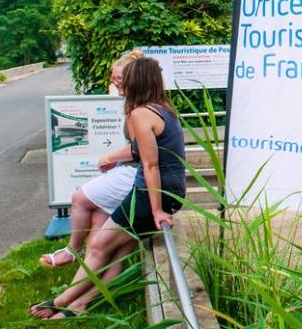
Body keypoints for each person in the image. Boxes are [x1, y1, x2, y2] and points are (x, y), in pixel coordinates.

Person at [31, 56, 186, 319]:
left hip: (149, 196)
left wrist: (157, 210)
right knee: (116, 249)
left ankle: (61, 301)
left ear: (137, 81)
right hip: (167, 192)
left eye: (125, 78)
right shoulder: (163, 109)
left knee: (99, 247)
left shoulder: (140, 113)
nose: (118, 83)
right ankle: (79, 304)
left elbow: (150, 165)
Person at [39, 50, 144, 268]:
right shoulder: (133, 102)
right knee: (97, 222)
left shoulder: (135, 107)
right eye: (113, 78)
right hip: (132, 170)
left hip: (135, 174)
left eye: (119, 79)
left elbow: (138, 149)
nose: (114, 83)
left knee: (79, 199)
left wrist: (109, 157)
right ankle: (91, 282)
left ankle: (71, 251)